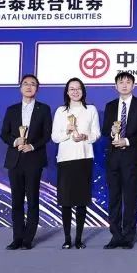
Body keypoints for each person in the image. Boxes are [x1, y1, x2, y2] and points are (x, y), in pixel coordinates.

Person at [0, 74, 53, 251]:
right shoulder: (12, 110)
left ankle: (28, 239)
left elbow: (47, 135)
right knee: (16, 201)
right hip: (15, 160)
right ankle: (17, 238)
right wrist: (15, 141)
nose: (29, 86)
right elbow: (4, 134)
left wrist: (32, 146)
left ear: (37, 88)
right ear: (20, 87)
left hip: (34, 159)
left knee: (32, 200)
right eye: (26, 84)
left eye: (33, 84)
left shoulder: (43, 109)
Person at [101, 71, 137, 249]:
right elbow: (105, 130)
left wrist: (126, 141)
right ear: (116, 86)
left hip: (131, 157)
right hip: (113, 158)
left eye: (128, 82)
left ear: (133, 85)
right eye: (121, 82)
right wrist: (113, 132)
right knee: (114, 198)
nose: (124, 85)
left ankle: (128, 236)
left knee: (130, 198)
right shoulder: (110, 106)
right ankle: (115, 235)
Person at [52, 77, 100, 249]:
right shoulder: (60, 111)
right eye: (71, 89)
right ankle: (67, 238)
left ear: (83, 91)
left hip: (84, 158)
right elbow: (55, 137)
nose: (75, 91)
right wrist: (67, 132)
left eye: (78, 88)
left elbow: (97, 134)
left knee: (81, 200)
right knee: (65, 201)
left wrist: (86, 136)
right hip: (65, 159)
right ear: (67, 92)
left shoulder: (91, 109)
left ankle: (78, 238)